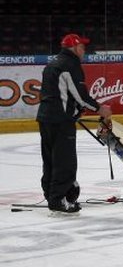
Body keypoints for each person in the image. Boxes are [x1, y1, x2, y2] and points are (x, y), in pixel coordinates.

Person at [36, 33, 112, 214]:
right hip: (61, 121)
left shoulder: (52, 64)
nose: (84, 50)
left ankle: (51, 195)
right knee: (65, 162)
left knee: (50, 160)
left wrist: (76, 109)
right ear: (74, 47)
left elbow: (58, 94)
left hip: (45, 119)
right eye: (82, 47)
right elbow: (79, 95)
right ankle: (58, 200)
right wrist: (99, 108)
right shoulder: (71, 64)